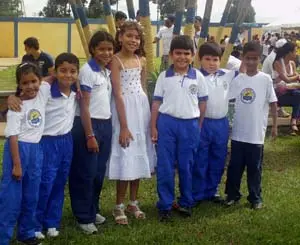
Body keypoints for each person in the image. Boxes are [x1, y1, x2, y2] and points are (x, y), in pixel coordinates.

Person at [151, 35, 208, 222]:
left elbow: (202, 102)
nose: (182, 57)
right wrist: (153, 126)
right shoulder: (163, 76)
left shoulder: (198, 76)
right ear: (170, 55)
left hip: (190, 125)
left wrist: (198, 125)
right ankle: (165, 204)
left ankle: (185, 201)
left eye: (186, 53)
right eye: (178, 53)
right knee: (165, 166)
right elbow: (156, 103)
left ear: (193, 55)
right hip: (167, 124)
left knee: (186, 164)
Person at [107, 21, 155, 225]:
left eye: (137, 37)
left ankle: (133, 201)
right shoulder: (115, 61)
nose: (133, 40)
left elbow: (143, 87)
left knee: (139, 152)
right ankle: (118, 205)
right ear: (120, 37)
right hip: (124, 110)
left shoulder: (141, 60)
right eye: (129, 36)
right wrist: (124, 126)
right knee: (125, 151)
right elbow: (117, 93)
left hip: (141, 109)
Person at [69, 31, 114, 234]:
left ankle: (92, 209)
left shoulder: (105, 71)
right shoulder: (88, 71)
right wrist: (89, 135)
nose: (106, 52)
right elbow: (84, 106)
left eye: (110, 49)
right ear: (92, 49)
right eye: (101, 49)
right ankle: (83, 216)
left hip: (105, 124)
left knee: (97, 173)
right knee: (85, 173)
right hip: (88, 125)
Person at [0, 63, 51, 245]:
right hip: (18, 150)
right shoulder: (16, 107)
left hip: (36, 150)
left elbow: (52, 75)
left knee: (32, 195)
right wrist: (17, 164)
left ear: (39, 80)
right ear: (19, 85)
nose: (30, 86)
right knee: (11, 198)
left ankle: (26, 234)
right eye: (25, 83)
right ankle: (3, 237)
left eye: (34, 81)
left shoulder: (43, 91)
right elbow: (12, 137)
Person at [224, 41, 278, 209]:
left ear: (260, 59)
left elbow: (273, 103)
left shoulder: (265, 79)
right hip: (239, 133)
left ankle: (255, 197)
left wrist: (275, 126)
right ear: (242, 58)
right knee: (235, 167)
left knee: (254, 168)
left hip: (256, 135)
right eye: (248, 58)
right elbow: (228, 102)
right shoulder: (238, 80)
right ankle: (232, 195)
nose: (251, 62)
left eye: (255, 59)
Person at [34, 53, 79, 239]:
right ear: (54, 71)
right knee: (44, 183)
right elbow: (28, 89)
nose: (68, 75)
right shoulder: (45, 88)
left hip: (66, 142)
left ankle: (52, 222)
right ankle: (35, 224)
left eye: (72, 71)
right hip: (47, 142)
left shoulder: (76, 91)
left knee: (60, 183)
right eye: (63, 71)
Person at [192, 42, 239, 204]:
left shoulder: (227, 74)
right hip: (203, 123)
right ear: (200, 59)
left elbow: (245, 66)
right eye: (208, 59)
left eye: (215, 59)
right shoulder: (195, 76)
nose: (212, 63)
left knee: (218, 158)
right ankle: (197, 192)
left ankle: (212, 190)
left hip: (221, 124)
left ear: (220, 60)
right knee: (200, 158)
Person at [272, 41, 300, 135]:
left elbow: (291, 79)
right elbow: (287, 80)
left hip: (292, 93)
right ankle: (294, 122)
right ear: (289, 52)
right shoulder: (277, 63)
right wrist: (296, 76)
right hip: (279, 96)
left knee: (297, 95)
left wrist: (294, 77)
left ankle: (293, 122)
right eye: (295, 51)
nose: (296, 54)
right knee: (298, 95)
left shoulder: (292, 63)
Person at [262, 38, 290, 118]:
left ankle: (278, 108)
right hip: (269, 83)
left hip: (273, 81)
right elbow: (277, 78)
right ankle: (277, 109)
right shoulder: (273, 58)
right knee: (282, 86)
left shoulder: (278, 57)